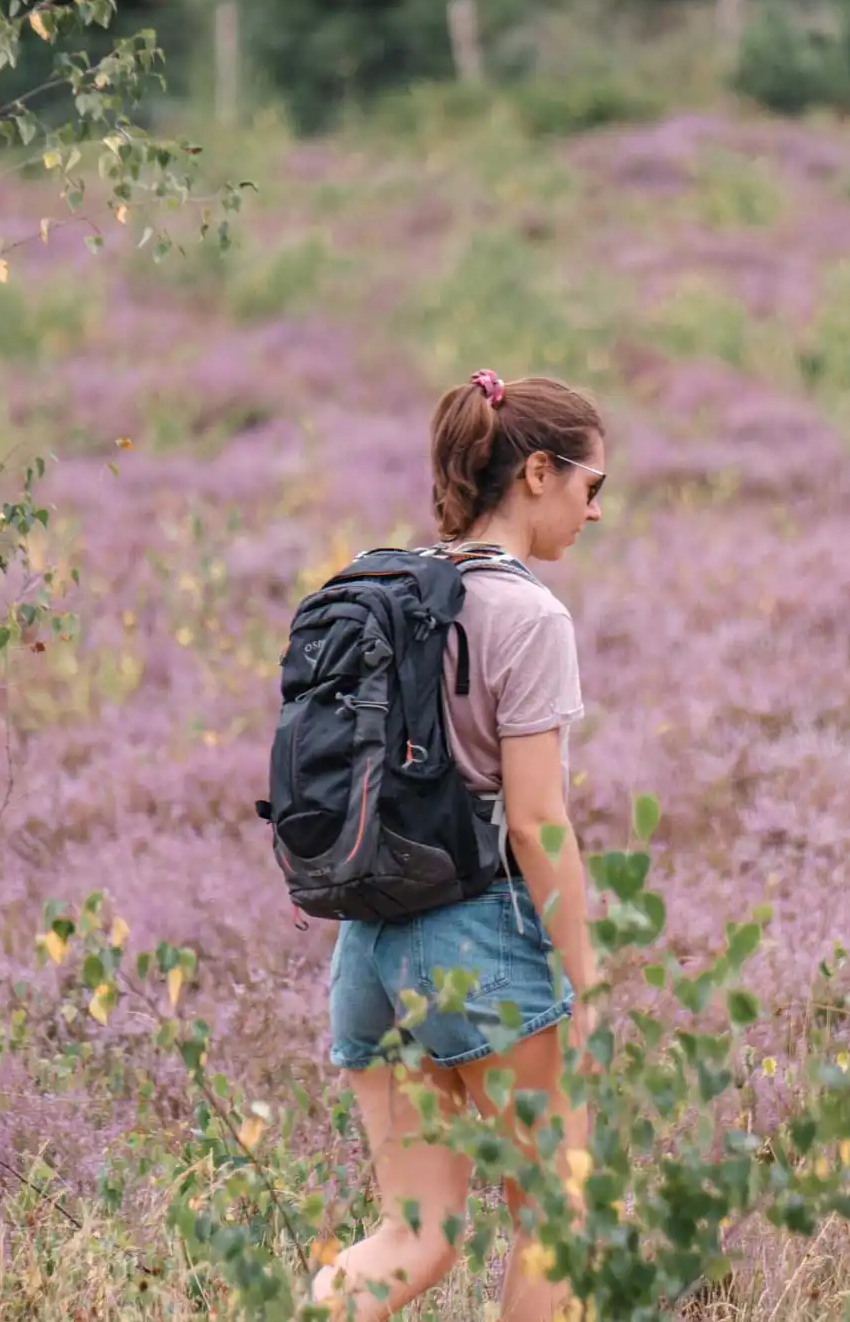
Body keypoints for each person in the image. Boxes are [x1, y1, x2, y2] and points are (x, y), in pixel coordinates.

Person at [314, 370, 607, 1322]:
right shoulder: (530, 616)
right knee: (558, 1219)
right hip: (486, 946)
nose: (592, 512)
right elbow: (534, 820)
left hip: (370, 947)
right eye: (589, 486)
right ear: (536, 471)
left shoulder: (388, 589)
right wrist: (588, 979)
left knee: (413, 1238)